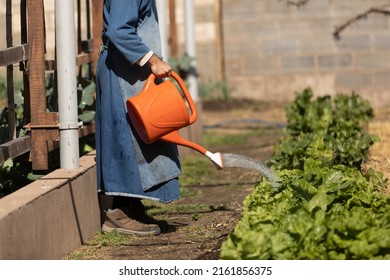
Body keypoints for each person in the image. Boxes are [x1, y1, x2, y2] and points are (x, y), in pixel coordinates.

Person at [95, 0, 181, 236]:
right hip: (121, 73)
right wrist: (153, 60)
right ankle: (117, 214)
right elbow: (118, 30)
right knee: (125, 140)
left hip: (130, 71)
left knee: (138, 138)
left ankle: (132, 206)